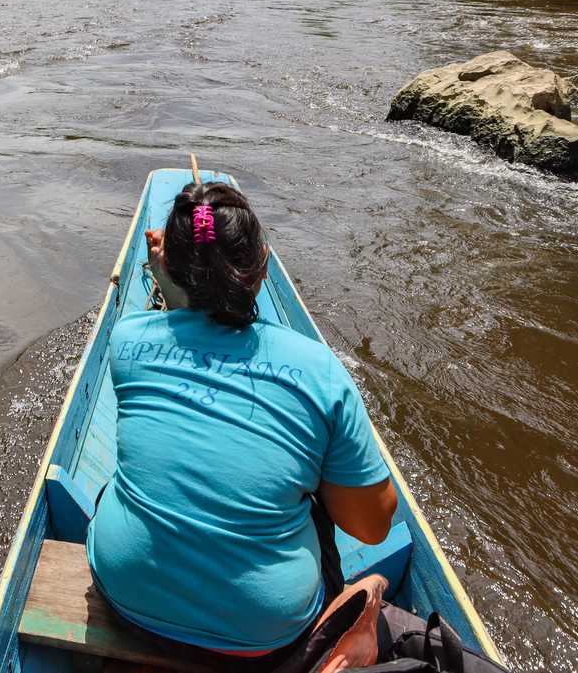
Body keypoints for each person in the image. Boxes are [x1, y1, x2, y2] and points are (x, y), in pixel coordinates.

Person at [85, 180, 398, 660]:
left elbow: (185, 328)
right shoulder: (318, 370)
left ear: (167, 268)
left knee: (116, 483)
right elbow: (372, 529)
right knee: (316, 502)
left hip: (127, 597)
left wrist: (170, 280)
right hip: (261, 637)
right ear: (263, 265)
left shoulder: (128, 340)